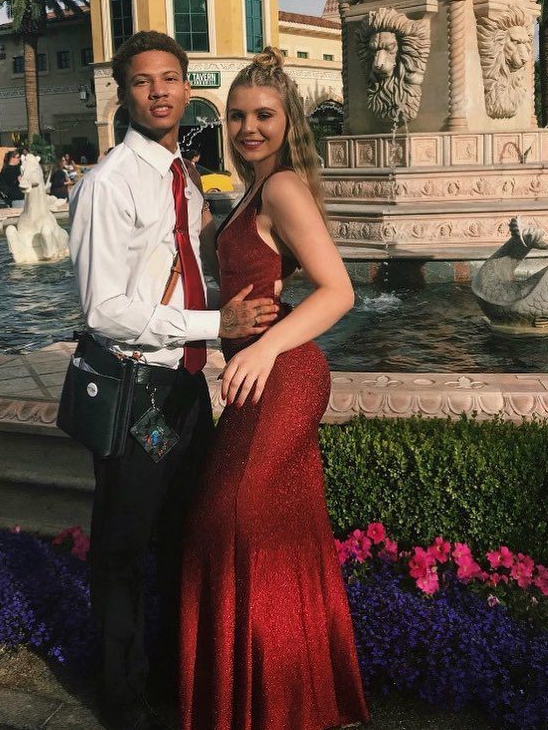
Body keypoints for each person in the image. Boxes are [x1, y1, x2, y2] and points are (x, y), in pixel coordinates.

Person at [67, 31, 279, 730]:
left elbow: (182, 273)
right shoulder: (107, 185)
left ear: (187, 87)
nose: (158, 91)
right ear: (123, 93)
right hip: (137, 390)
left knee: (187, 534)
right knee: (125, 546)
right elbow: (103, 309)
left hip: (184, 389)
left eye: (169, 78)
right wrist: (215, 322)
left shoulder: (183, 178)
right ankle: (123, 697)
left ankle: (171, 674)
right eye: (142, 81)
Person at [179, 47, 370, 730]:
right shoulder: (254, 191)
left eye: (263, 115)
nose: (247, 127)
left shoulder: (282, 186)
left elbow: (338, 290)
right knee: (275, 533)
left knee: (230, 521)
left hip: (281, 373)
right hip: (262, 373)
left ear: (288, 122)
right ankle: (290, 705)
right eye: (236, 116)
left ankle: (265, 705)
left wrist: (261, 347)